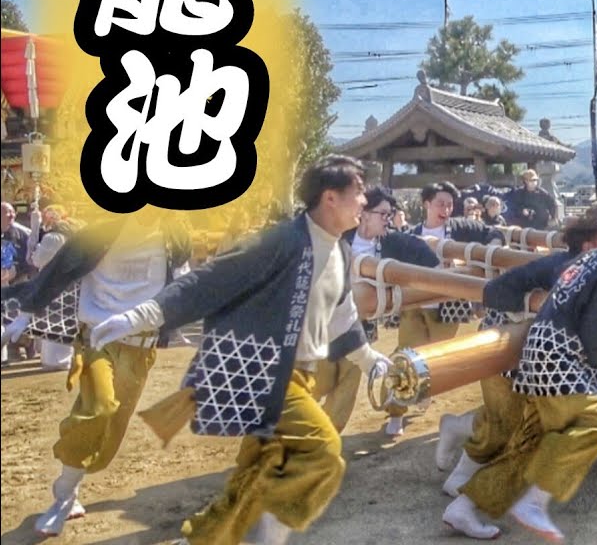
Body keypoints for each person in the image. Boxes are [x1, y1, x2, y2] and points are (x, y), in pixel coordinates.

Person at [88, 155, 392, 545]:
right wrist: (145, 314)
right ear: (330, 197)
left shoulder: (341, 250)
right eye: (359, 192)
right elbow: (215, 277)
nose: (365, 201)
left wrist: (367, 358)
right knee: (322, 452)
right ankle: (261, 535)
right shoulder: (284, 239)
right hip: (266, 373)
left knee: (260, 467)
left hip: (302, 373)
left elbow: (342, 315)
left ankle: (202, 539)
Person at [448, 199, 597, 542]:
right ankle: (535, 502)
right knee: (594, 426)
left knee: (531, 443)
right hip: (559, 359)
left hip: (539, 352)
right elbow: (595, 335)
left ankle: (463, 507)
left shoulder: (590, 260)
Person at [1, 210, 191, 537]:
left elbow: (188, 281)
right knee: (98, 408)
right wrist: (25, 315)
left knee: (109, 437)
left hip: (141, 347)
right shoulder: (100, 232)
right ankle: (64, 494)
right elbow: (56, 273)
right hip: (96, 340)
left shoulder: (176, 234)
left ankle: (74, 478)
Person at [439, 209, 597, 514]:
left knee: (519, 422)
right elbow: (495, 291)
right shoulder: (559, 266)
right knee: (503, 422)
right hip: (504, 345)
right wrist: (531, 304)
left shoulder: (595, 271)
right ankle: (460, 474)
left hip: (539, 358)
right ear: (588, 246)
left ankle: (457, 432)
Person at [313, 186, 440, 433]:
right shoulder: (337, 238)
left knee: (348, 383)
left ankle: (324, 442)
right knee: (317, 383)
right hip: (322, 326)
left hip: (359, 326)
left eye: (390, 214)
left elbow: (424, 253)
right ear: (364, 214)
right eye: (383, 214)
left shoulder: (391, 241)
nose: (388, 220)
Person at [393, 182, 504, 436]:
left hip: (448, 305)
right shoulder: (411, 232)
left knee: (434, 357)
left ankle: (422, 390)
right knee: (407, 353)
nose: (446, 208)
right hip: (415, 304)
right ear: (427, 204)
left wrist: (491, 250)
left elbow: (491, 232)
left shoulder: (460, 228)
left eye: (450, 204)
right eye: (441, 203)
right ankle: (395, 411)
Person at [27, 206, 80, 371]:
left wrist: (35, 238)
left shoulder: (53, 238)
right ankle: (65, 358)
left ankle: (55, 360)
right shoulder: (75, 236)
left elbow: (36, 260)